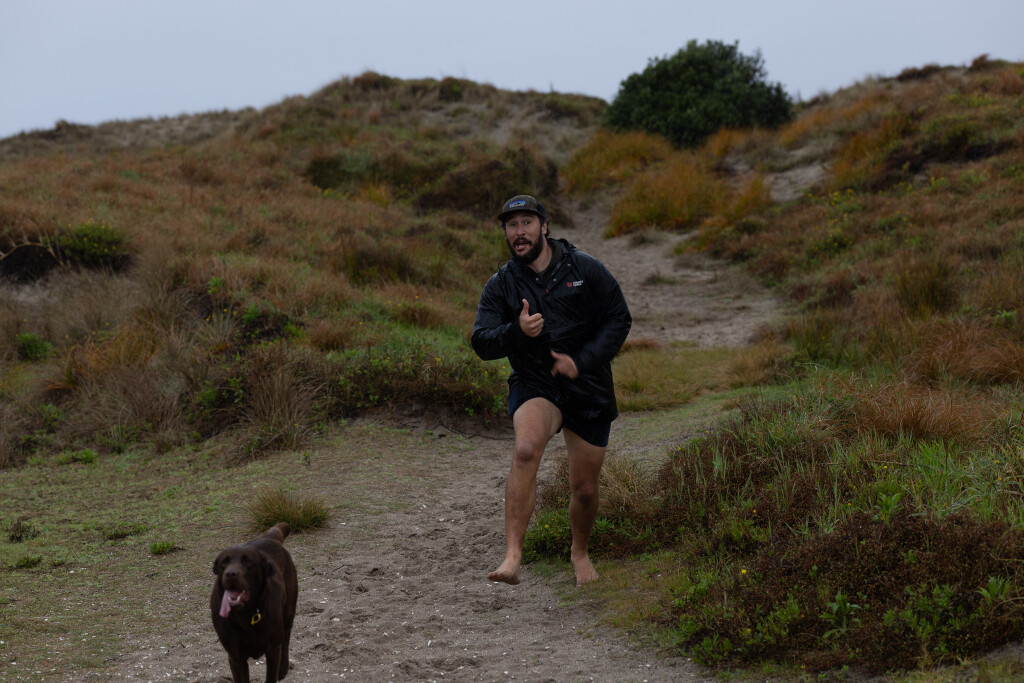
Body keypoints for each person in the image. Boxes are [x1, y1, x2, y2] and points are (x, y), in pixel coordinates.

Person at [472, 194, 632, 586]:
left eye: (527, 222)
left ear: (544, 226)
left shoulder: (585, 268)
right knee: (526, 449)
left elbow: (619, 318)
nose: (519, 232)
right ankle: (512, 557)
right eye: (512, 225)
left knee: (585, 488)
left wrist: (582, 360)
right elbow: (481, 341)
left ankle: (579, 552)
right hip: (536, 381)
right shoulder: (501, 284)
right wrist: (517, 331)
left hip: (587, 384)